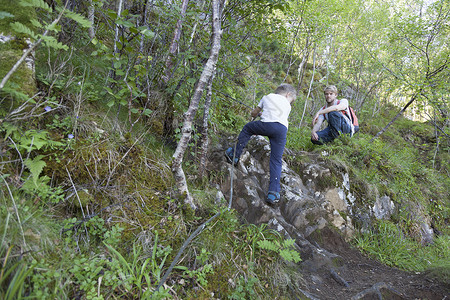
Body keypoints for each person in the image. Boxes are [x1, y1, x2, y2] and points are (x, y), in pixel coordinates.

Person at [225, 83, 297, 204]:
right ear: (288, 94)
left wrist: (255, 113)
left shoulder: (267, 96)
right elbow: (276, 116)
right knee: (276, 160)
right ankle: (273, 193)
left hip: (266, 125)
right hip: (281, 130)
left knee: (248, 128)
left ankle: (234, 155)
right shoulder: (287, 106)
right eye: (291, 100)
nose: (290, 102)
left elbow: (255, 113)